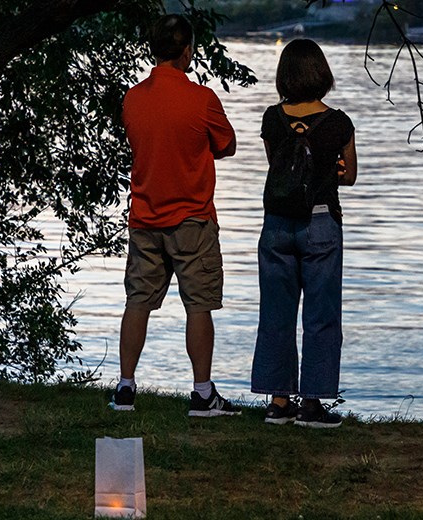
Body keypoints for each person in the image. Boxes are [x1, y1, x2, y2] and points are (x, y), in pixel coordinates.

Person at [109, 14, 240, 418]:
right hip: (192, 219)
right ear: (187, 52)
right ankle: (202, 394)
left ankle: (126, 389)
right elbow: (228, 145)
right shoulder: (202, 99)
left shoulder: (132, 98)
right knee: (198, 304)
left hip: (145, 216)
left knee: (138, 301)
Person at [251, 39, 358, 429]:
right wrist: (332, 169)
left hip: (277, 224)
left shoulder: (271, 119)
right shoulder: (339, 122)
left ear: (285, 76)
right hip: (321, 223)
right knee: (321, 315)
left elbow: (279, 172)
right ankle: (311, 404)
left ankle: (278, 402)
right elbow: (349, 176)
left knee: (276, 313)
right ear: (321, 75)